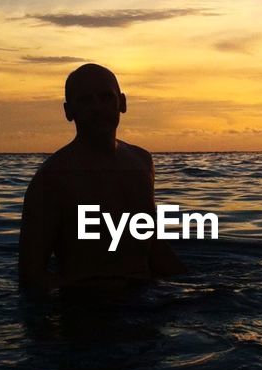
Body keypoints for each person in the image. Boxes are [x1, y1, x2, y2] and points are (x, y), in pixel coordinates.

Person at [18, 63, 187, 299]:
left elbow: (151, 245)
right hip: (87, 312)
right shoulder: (52, 179)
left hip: (146, 300)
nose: (97, 108)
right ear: (69, 111)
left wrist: (197, 289)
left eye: (106, 97)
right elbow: (31, 275)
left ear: (123, 103)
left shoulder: (141, 162)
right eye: (85, 100)